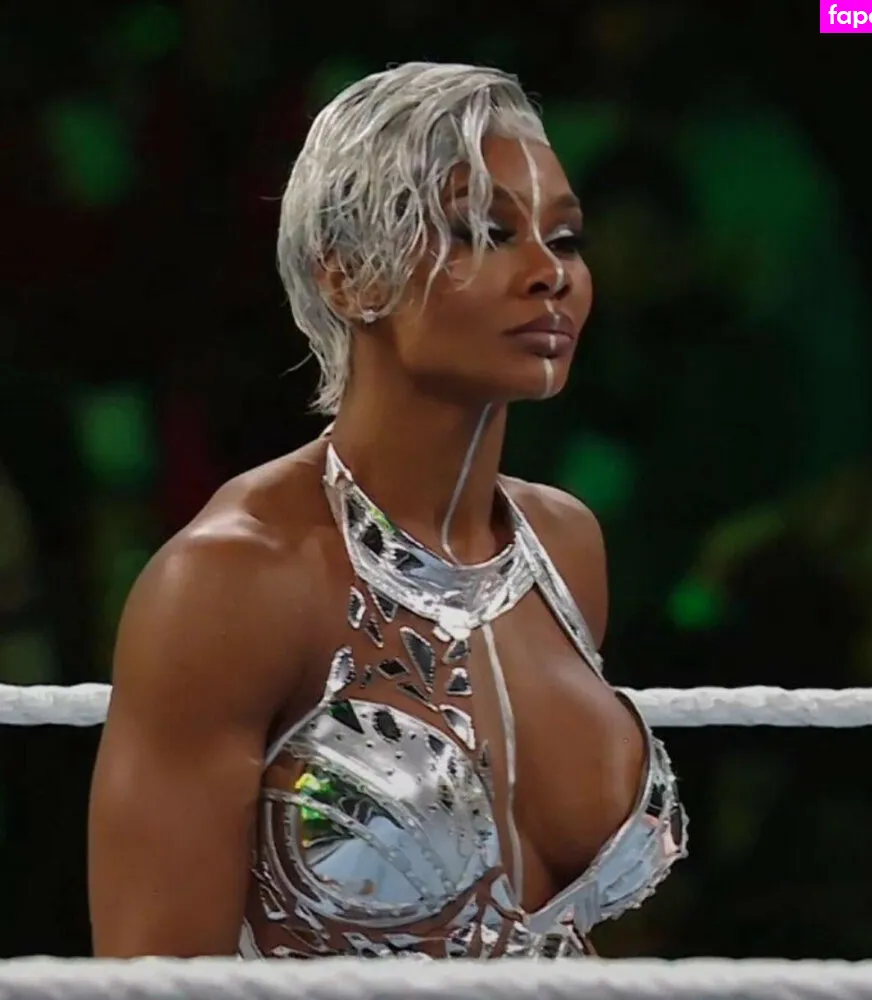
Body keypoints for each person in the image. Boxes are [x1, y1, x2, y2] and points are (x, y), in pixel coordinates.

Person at [87, 61, 687, 960]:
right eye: (483, 232)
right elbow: (152, 979)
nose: (548, 274)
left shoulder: (565, 547)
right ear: (351, 277)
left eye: (564, 239)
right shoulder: (233, 579)